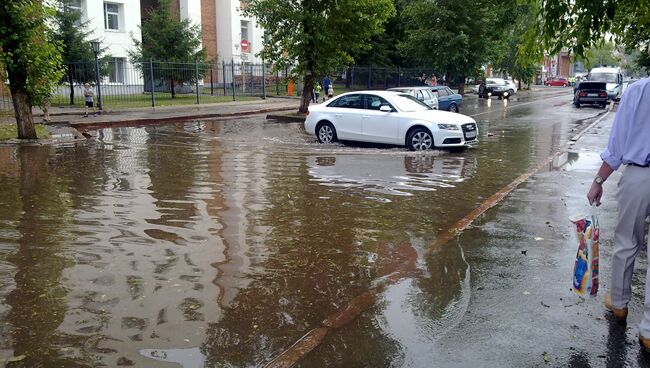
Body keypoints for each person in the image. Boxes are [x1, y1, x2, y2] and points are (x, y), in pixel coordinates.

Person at [587, 76, 650, 351]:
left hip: (639, 175)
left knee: (626, 242)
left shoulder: (637, 90)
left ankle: (620, 304)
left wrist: (598, 182)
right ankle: (648, 332)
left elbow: (617, 145)